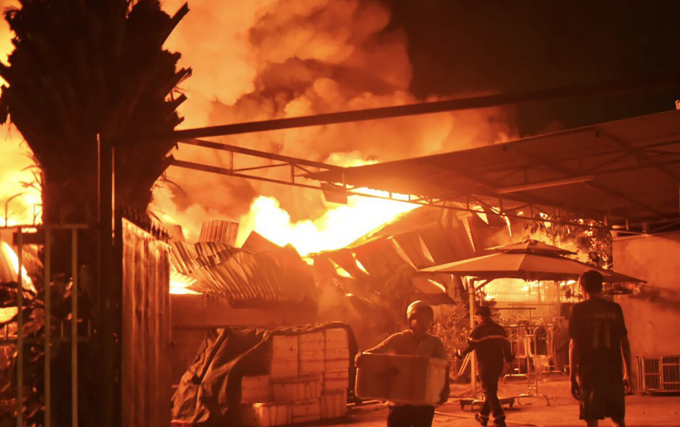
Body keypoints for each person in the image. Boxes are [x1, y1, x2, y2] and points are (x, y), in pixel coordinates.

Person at [357, 300, 450, 427]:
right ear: (410, 320)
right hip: (399, 403)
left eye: (428, 320)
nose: (424, 323)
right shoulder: (397, 339)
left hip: (424, 403)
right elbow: (374, 353)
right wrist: (361, 357)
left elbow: (444, 366)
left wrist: (446, 388)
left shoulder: (435, 343)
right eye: (420, 319)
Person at [569, 270, 632, 427]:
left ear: (583, 288)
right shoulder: (615, 309)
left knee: (591, 419)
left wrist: (572, 377)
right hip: (613, 372)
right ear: (601, 286)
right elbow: (624, 342)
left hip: (590, 373)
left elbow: (573, 346)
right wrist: (628, 372)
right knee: (618, 418)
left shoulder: (578, 310)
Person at [456, 305, 514, 427]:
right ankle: (483, 416)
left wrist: (459, 354)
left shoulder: (479, 330)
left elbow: (470, 346)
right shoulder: (499, 329)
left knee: (488, 391)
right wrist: (509, 358)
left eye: (477, 316)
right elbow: (506, 345)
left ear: (480, 316)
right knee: (491, 390)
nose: (476, 319)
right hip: (498, 364)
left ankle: (499, 419)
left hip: (486, 364)